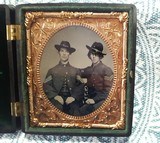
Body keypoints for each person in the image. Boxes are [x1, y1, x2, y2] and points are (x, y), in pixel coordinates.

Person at [43, 41, 83, 115]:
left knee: (76, 111)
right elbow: (46, 85)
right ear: (58, 52)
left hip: (71, 99)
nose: (64, 53)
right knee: (56, 111)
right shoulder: (52, 70)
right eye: (62, 51)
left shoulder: (75, 71)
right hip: (57, 99)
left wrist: (73, 97)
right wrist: (55, 96)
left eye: (67, 51)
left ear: (69, 54)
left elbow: (80, 86)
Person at [79, 42, 114, 115]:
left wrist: (94, 100)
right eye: (92, 54)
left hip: (101, 101)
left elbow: (108, 91)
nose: (94, 56)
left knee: (84, 111)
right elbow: (77, 72)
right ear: (89, 55)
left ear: (100, 56)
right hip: (88, 99)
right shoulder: (88, 69)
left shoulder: (106, 70)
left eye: (96, 55)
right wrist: (78, 77)